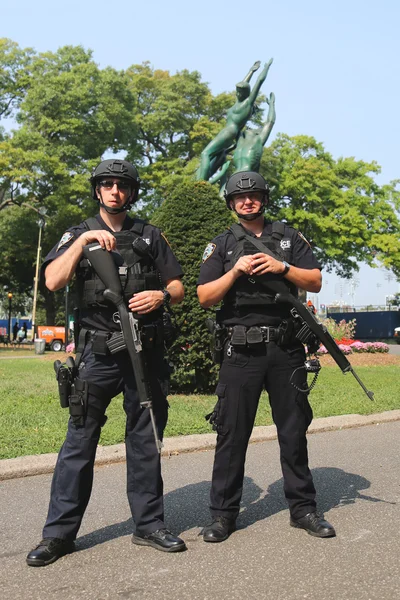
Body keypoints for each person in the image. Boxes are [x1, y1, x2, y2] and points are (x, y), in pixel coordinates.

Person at [27, 159, 186, 567]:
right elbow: (53, 280)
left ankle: (149, 525)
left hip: (144, 353)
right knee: (78, 444)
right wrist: (82, 244)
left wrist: (161, 297)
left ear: (131, 192)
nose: (115, 191)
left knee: (146, 440)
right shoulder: (77, 233)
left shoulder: (149, 235)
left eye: (122, 185)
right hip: (97, 355)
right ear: (98, 190)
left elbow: (178, 284)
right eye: (107, 184)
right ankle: (58, 535)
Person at [197, 171, 336, 543]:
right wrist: (234, 271)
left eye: (254, 195)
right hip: (240, 351)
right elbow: (205, 296)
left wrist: (282, 268)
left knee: (293, 433)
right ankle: (223, 515)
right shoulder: (223, 244)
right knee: (232, 434)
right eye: (240, 197)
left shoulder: (290, 238)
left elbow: (316, 281)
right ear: (231, 203)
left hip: (286, 349)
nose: (248, 201)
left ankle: (303, 509)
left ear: (264, 198)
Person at [196, 60, 273, 182]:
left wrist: (266, 68)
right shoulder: (238, 102)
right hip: (228, 132)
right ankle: (204, 177)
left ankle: (200, 184)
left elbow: (259, 82)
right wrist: (251, 71)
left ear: (245, 94)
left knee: (205, 153)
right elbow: (243, 84)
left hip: (229, 131)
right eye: (237, 91)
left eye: (239, 92)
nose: (237, 93)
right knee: (214, 156)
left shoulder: (247, 104)